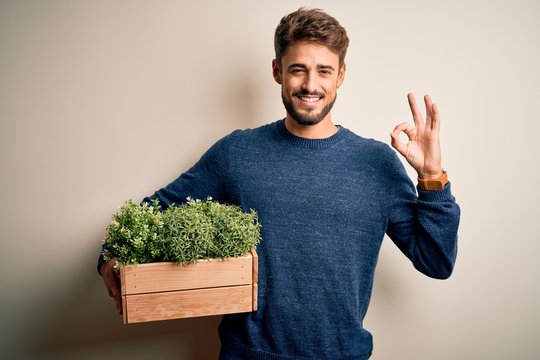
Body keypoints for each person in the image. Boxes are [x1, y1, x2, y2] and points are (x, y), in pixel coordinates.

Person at [99, 8, 460, 360]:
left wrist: (431, 176)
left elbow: (436, 261)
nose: (310, 85)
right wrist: (109, 255)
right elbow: (158, 209)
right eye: (298, 70)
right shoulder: (236, 152)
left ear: (341, 75)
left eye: (324, 71)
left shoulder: (377, 162)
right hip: (247, 354)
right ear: (277, 71)